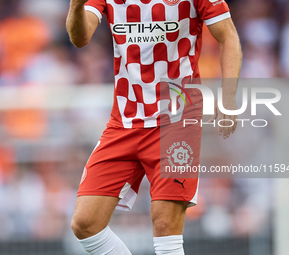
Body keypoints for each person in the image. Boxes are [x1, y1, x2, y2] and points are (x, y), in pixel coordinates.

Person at [66, 0, 242, 253]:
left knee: (165, 227)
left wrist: (228, 96)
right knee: (85, 223)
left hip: (177, 119)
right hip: (125, 120)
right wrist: (76, 6)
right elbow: (80, 38)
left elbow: (228, 36)